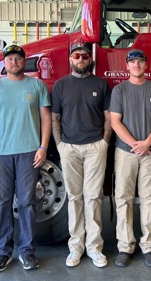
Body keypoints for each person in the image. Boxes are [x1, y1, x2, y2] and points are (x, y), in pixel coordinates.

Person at [0, 44, 51, 272]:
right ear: (4, 63)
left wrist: (43, 147)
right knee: (1, 203)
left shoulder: (37, 86)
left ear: (24, 62)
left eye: (18, 58)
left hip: (29, 152)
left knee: (27, 202)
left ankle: (27, 252)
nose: (14, 62)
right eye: (10, 59)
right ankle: (3, 252)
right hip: (0, 154)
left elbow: (46, 118)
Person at [51, 42, 112, 268]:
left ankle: (94, 248)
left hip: (95, 147)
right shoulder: (60, 85)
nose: (81, 59)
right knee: (75, 198)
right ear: (70, 59)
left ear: (90, 59)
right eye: (76, 55)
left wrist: (105, 142)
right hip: (69, 149)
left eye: (85, 56)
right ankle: (75, 247)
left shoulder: (101, 84)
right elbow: (55, 118)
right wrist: (60, 146)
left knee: (94, 197)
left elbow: (108, 116)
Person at [109, 49, 151, 267]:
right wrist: (136, 145)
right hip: (126, 152)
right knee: (123, 198)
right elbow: (115, 122)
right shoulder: (119, 90)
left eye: (141, 61)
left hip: (150, 152)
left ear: (146, 65)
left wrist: (147, 143)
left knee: (149, 199)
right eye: (133, 62)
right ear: (127, 66)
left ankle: (149, 247)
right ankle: (125, 246)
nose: (137, 65)